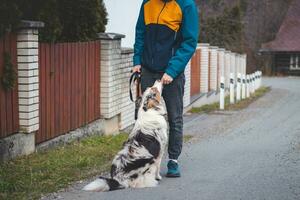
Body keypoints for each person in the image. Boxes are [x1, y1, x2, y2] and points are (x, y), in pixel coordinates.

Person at [132, 0, 199, 177]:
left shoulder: (186, 5)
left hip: (172, 74)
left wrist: (172, 70)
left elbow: (189, 43)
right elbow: (140, 32)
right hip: (148, 69)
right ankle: (146, 160)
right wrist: (137, 60)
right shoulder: (147, 3)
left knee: (174, 118)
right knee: (146, 117)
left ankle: (173, 160)